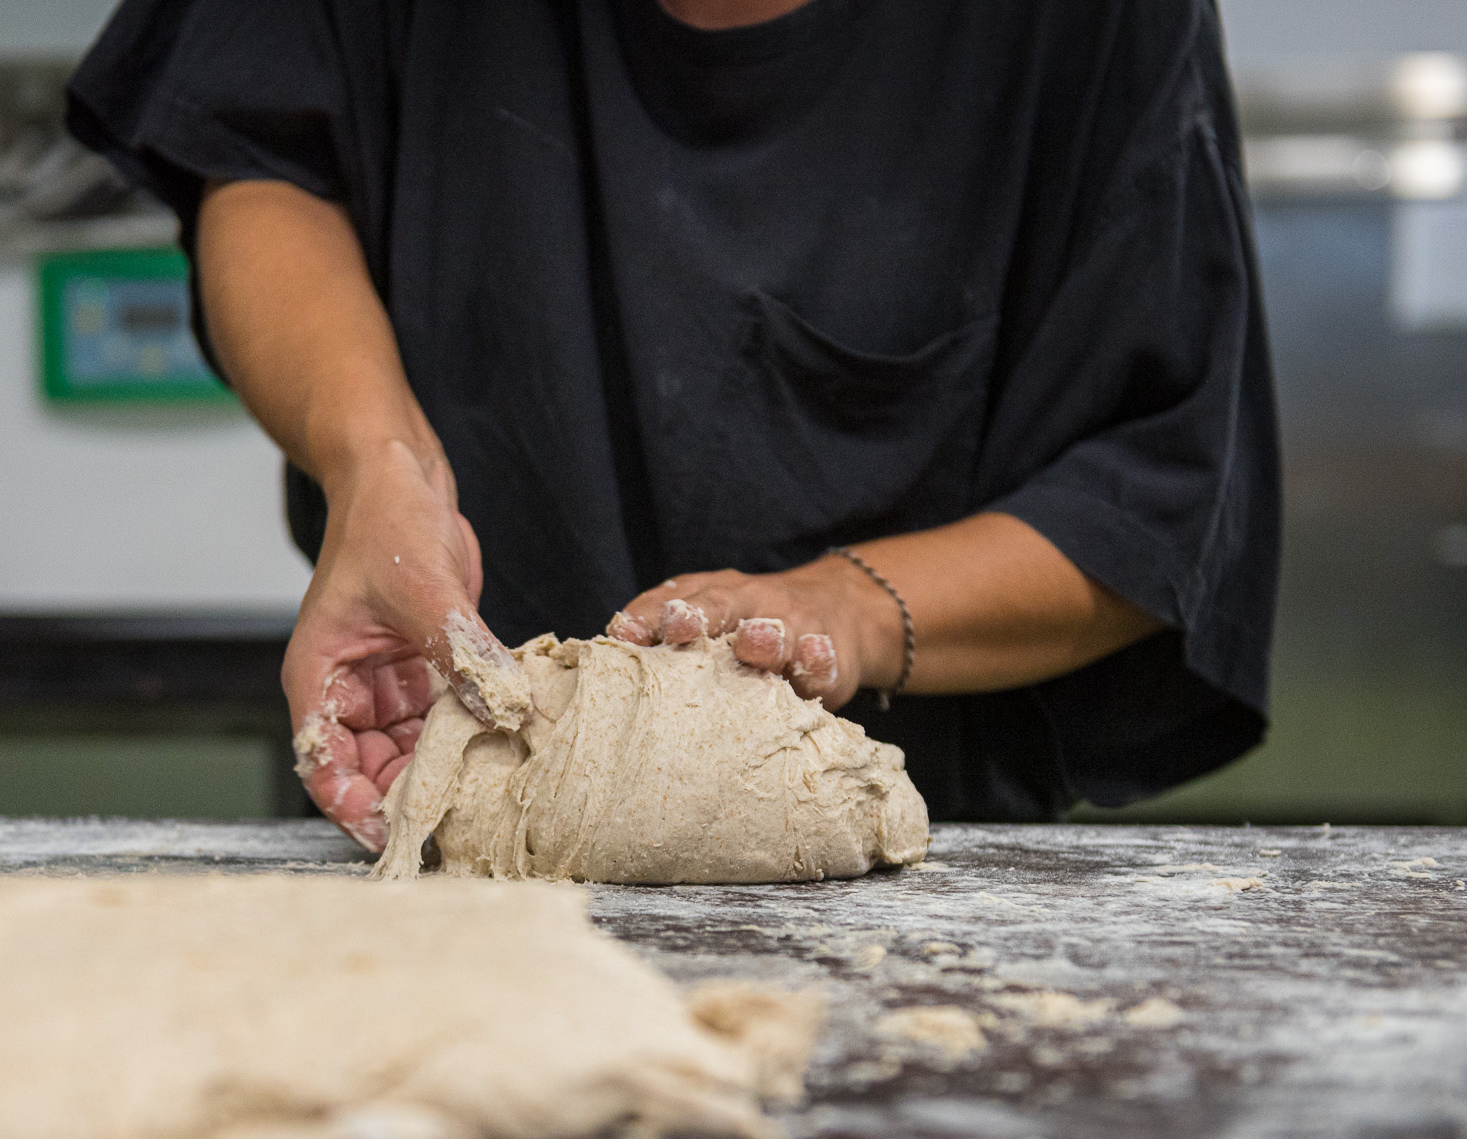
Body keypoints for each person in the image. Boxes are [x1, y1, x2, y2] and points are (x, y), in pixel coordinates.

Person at [68, 0, 1281, 849]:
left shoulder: (1094, 26)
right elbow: (263, 163)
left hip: (916, 890)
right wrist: (377, 466)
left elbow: (1159, 495)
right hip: (422, 797)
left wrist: (849, 606)